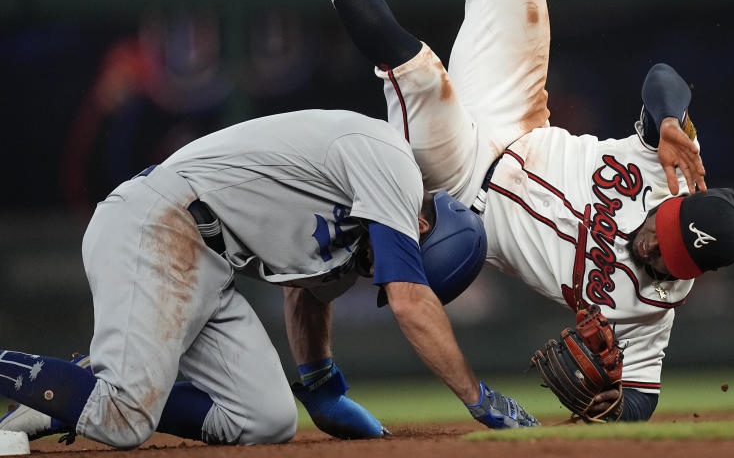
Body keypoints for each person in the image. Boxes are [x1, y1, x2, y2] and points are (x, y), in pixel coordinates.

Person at [268, 0, 734, 422]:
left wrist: (606, 405)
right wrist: (673, 117)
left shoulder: (653, 307)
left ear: (691, 273)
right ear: (678, 205)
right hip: (518, 118)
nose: (654, 242)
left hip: (463, 185)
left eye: (671, 255)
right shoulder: (674, 173)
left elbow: (641, 402)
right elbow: (662, 79)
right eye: (665, 228)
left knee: (418, 72)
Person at [0, 107, 538, 449]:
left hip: (205, 261)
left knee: (265, 419)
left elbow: (308, 294)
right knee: (123, 422)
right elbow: (409, 301)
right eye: (406, 262)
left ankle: (72, 391)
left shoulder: (358, 228)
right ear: (421, 224)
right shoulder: (391, 162)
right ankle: (105, 385)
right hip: (158, 224)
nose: (376, 273)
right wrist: (480, 398)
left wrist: (322, 388)